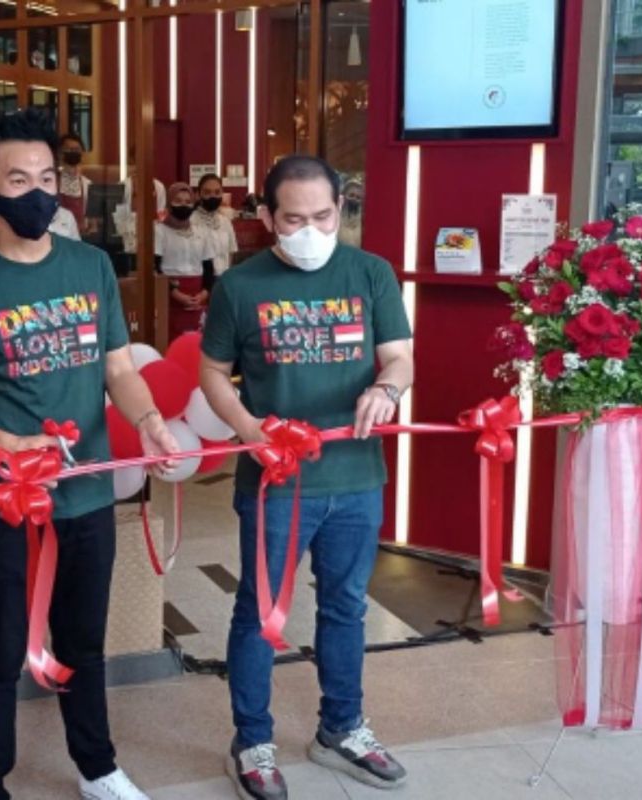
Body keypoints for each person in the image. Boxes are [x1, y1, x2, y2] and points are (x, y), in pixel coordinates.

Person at [0, 108, 179, 800]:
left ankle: (97, 768)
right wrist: (8, 446)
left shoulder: (91, 265)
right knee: (1, 648)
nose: (38, 192)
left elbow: (119, 371)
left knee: (84, 642)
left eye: (47, 176)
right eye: (18, 178)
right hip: (7, 502)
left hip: (87, 497)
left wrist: (150, 421)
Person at [200, 155, 415, 799]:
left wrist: (387, 388)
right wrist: (247, 430)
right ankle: (253, 739)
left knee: (347, 606)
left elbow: (400, 358)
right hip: (274, 482)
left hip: (355, 478)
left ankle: (341, 729)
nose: (311, 230)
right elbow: (213, 373)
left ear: (341, 210)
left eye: (324, 216)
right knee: (261, 613)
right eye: (293, 218)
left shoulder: (370, 274)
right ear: (266, 217)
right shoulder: (241, 287)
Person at [156, 182, 215, 342]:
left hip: (198, 294)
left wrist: (204, 293)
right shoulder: (160, 231)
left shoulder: (201, 231)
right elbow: (155, 268)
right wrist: (175, 293)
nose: (184, 205)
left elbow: (209, 267)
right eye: (178, 201)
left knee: (197, 343)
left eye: (188, 202)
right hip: (170, 296)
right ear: (169, 203)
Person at [193, 173, 240, 275]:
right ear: (199, 194)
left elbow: (231, 252)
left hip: (223, 278)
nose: (212, 196)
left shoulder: (225, 221)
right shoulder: (190, 221)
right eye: (207, 192)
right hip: (200, 280)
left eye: (217, 192)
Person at [57, 133, 92, 235]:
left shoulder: (87, 185)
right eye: (69, 150)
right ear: (60, 154)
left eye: (77, 150)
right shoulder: (51, 183)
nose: (73, 153)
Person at [338, 179, 364, 248]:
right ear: (343, 196)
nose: (354, 199)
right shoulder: (334, 217)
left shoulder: (363, 220)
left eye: (358, 197)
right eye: (351, 195)